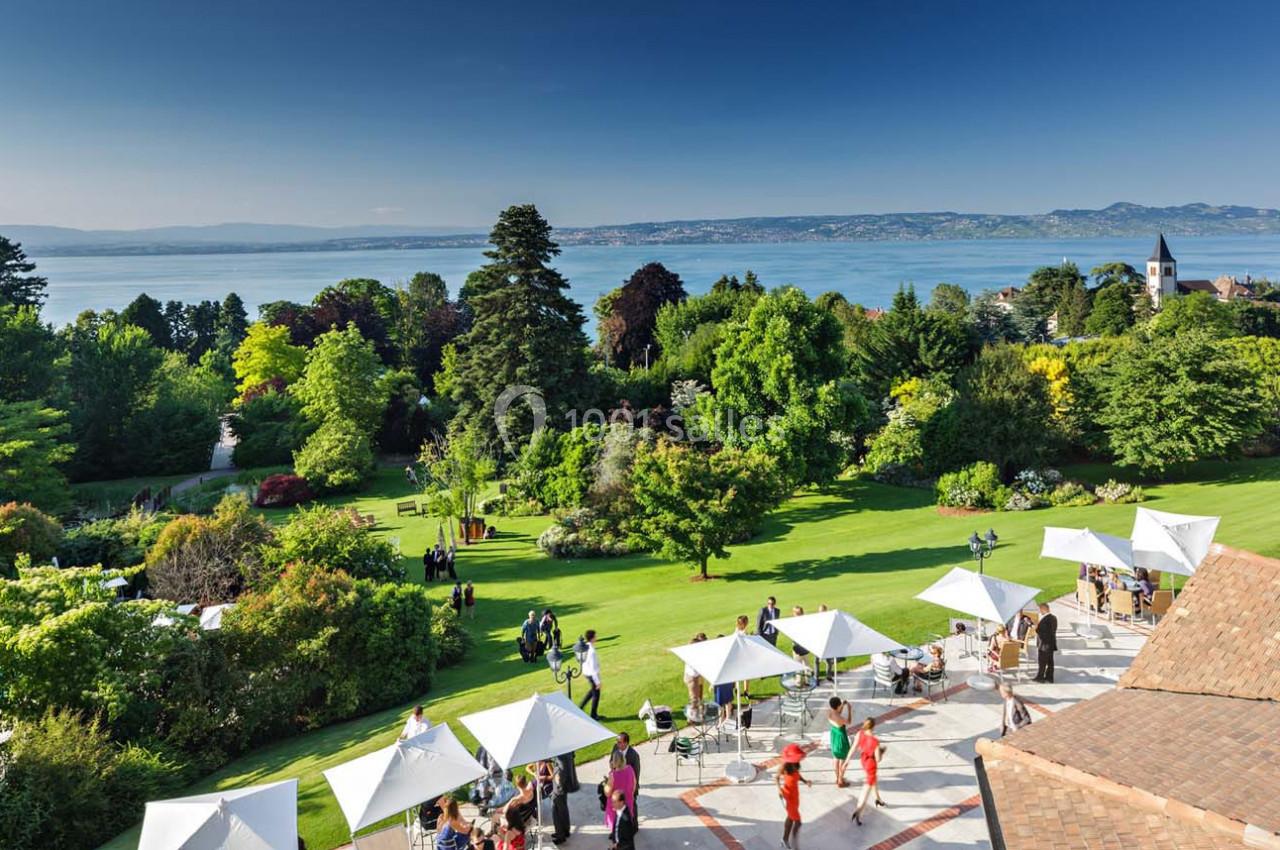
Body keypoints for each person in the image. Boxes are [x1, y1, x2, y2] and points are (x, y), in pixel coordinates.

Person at [847, 718, 885, 825]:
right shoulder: (875, 741)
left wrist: (847, 760)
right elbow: (878, 759)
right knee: (865, 791)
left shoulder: (860, 734)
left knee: (874, 780)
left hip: (864, 760)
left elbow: (854, 747)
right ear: (873, 727)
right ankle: (858, 812)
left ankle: (878, 799)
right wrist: (880, 752)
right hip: (871, 765)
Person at [776, 760, 811, 849]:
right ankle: (795, 845)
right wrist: (779, 788)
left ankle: (784, 839)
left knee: (790, 818)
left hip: (795, 797)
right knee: (798, 822)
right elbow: (776, 778)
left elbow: (798, 776)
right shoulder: (784, 767)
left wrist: (805, 781)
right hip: (788, 797)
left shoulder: (795, 765)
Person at [603, 750, 636, 836]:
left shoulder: (612, 775)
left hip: (616, 805)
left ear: (614, 761)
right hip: (628, 802)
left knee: (617, 828)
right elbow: (634, 784)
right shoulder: (630, 769)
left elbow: (607, 793)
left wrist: (605, 785)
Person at [611, 732, 641, 822]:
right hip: (618, 785)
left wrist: (633, 790)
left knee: (632, 807)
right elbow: (611, 761)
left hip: (629, 787)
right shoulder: (615, 748)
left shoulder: (634, 755)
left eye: (620, 742)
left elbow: (636, 774)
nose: (617, 744)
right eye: (617, 741)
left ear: (626, 743)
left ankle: (634, 825)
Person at [827, 696, 853, 787]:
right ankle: (840, 781)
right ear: (837, 706)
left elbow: (837, 713)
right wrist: (849, 710)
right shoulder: (840, 718)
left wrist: (842, 706)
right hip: (841, 737)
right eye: (840, 705)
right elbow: (849, 722)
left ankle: (837, 777)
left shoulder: (830, 712)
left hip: (834, 734)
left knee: (835, 758)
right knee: (842, 759)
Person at [579, 629, 601, 719]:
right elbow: (593, 668)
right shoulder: (591, 651)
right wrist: (598, 681)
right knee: (596, 694)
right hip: (591, 674)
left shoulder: (587, 647)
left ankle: (580, 707)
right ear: (592, 638)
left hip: (587, 673)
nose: (596, 637)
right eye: (595, 636)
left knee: (592, 692)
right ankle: (593, 715)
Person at [1034, 602, 1058, 683]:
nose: (1040, 611)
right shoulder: (1054, 618)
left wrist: (1036, 628)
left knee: (1042, 662)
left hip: (1044, 645)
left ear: (1044, 609)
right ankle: (1049, 677)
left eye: (1040, 609)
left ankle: (1040, 678)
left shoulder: (1045, 620)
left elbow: (1042, 633)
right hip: (1051, 644)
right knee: (1050, 662)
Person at [683, 633, 707, 714]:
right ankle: (691, 719)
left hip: (695, 677)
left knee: (697, 697)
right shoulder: (693, 656)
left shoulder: (693, 654)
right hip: (693, 678)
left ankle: (698, 713)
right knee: (694, 699)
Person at [550, 757, 571, 845]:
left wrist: (556, 776)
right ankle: (565, 831)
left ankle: (560, 836)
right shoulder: (565, 756)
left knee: (556, 815)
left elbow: (559, 779)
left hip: (558, 792)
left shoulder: (560, 762)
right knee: (563, 811)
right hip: (562, 791)